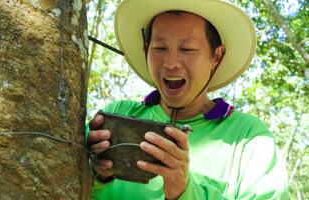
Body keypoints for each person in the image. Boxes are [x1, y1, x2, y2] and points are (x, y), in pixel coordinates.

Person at [86, 0, 289, 199]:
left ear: (216, 57)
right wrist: (94, 175)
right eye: (159, 48)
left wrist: (185, 192)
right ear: (145, 50)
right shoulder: (115, 116)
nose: (171, 63)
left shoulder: (248, 138)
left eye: (187, 49)